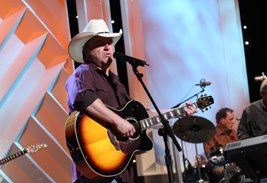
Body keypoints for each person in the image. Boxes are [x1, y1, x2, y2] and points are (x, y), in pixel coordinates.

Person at [65, 19, 197, 183]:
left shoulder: (116, 82)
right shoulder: (83, 73)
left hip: (122, 171)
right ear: (86, 51)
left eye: (110, 43)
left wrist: (178, 111)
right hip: (95, 172)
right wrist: (117, 122)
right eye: (100, 43)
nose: (107, 47)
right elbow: (83, 97)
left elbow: (142, 116)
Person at [204, 107, 238, 183]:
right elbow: (210, 155)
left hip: (235, 161)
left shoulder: (233, 132)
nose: (233, 122)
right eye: (230, 119)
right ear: (222, 121)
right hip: (220, 164)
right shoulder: (211, 134)